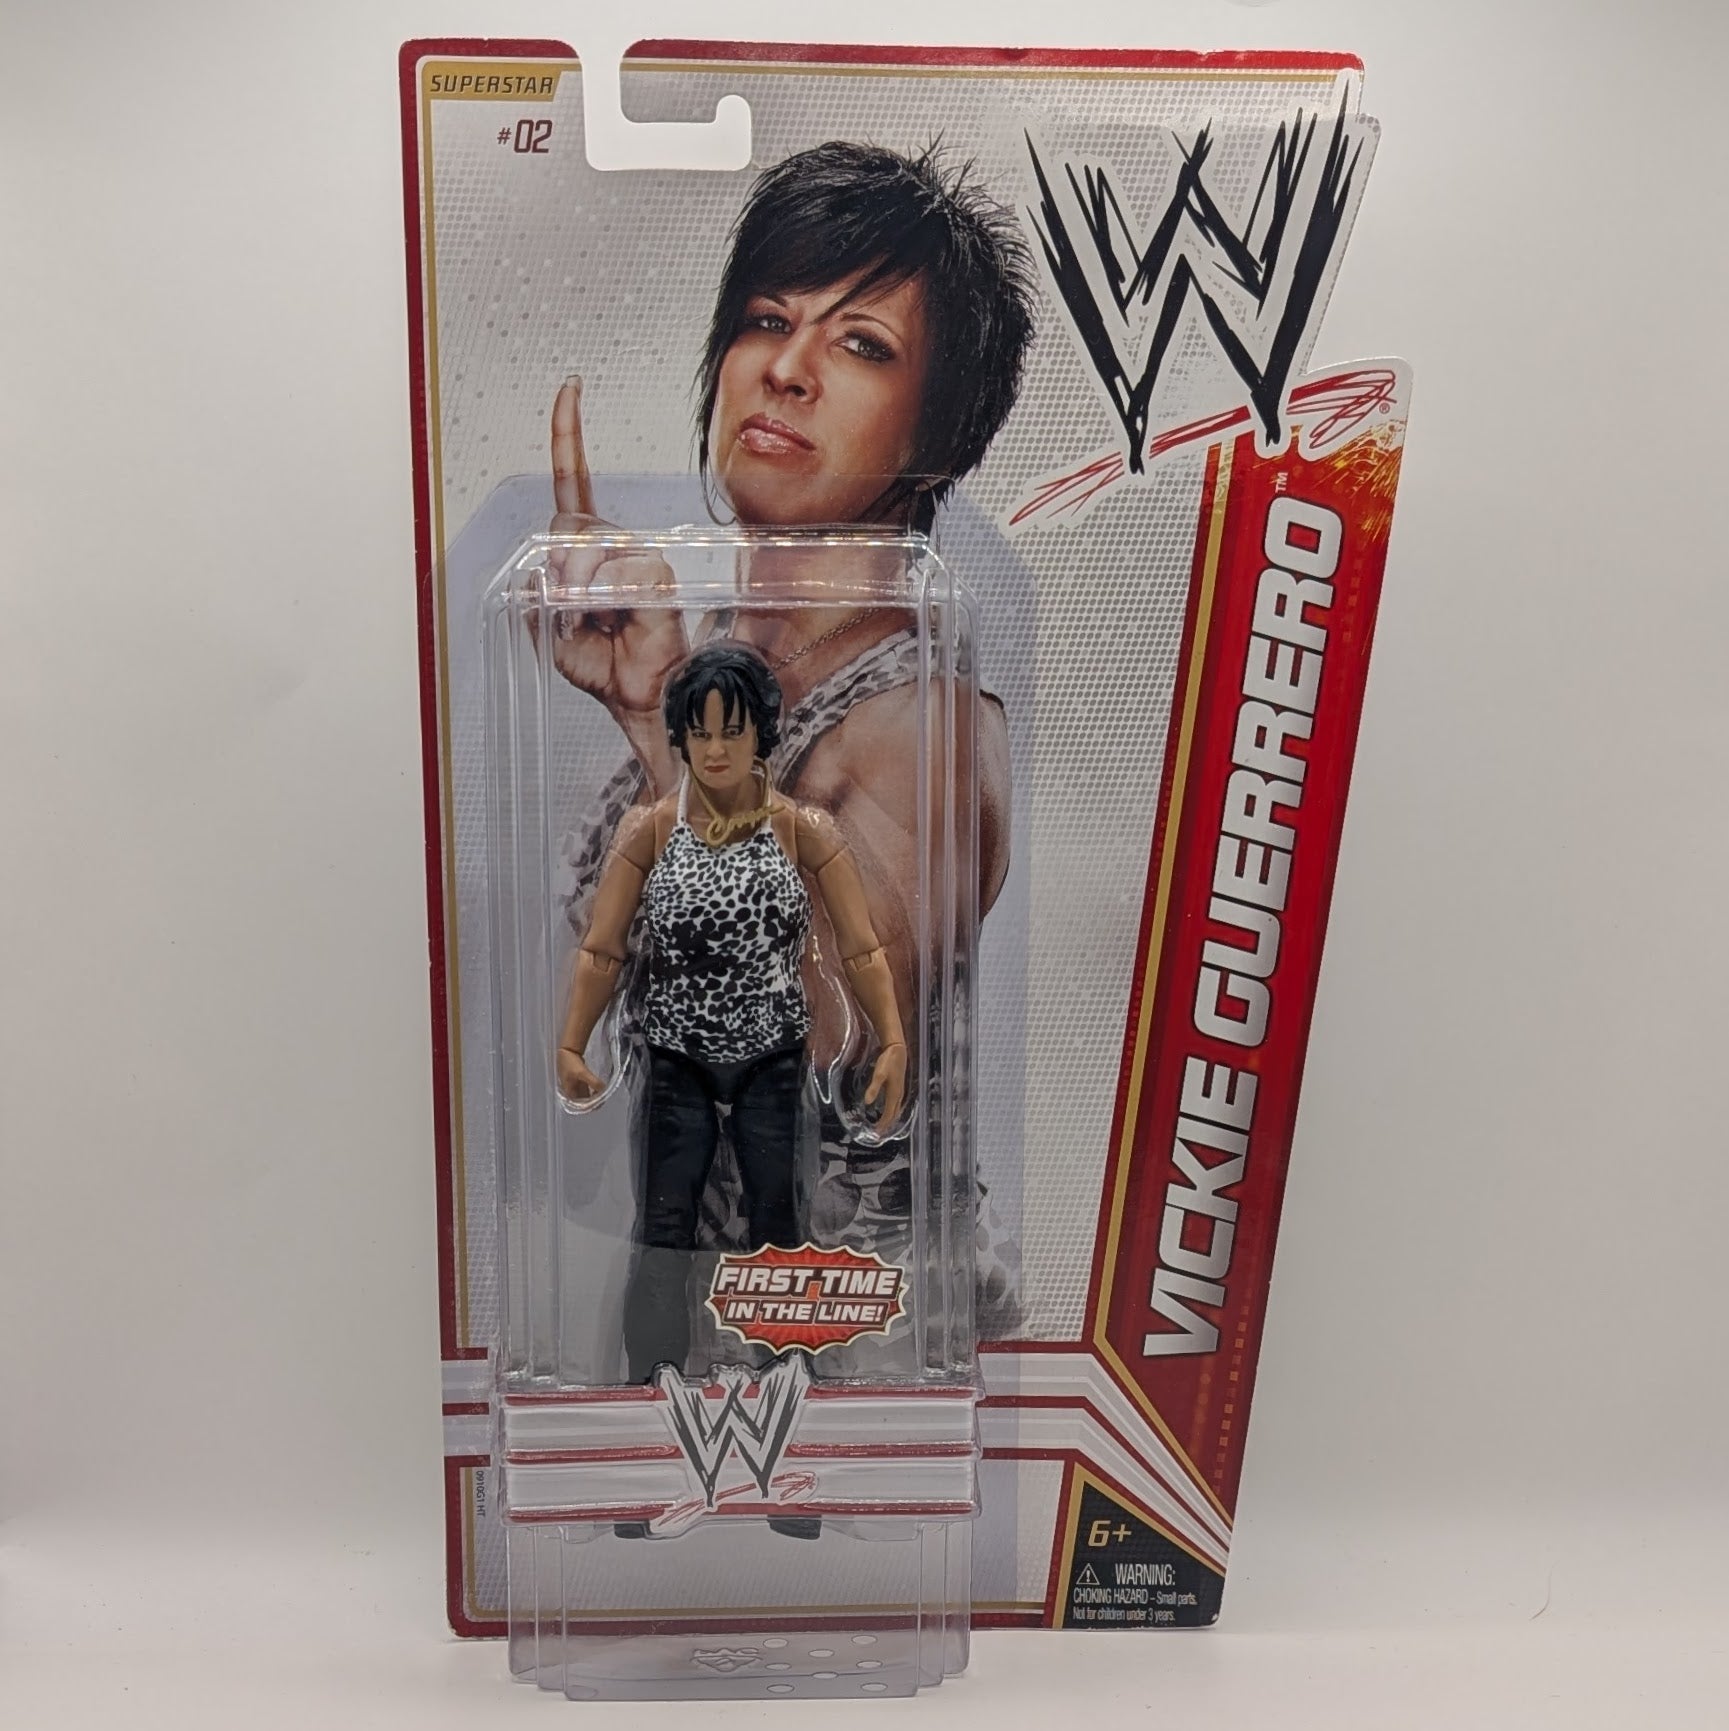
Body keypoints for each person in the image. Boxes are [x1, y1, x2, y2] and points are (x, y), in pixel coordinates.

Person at [544, 141, 1035, 1328]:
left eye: (861, 344)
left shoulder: (919, 720)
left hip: (862, 1339)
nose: (786, 368)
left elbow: (826, 1051)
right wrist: (653, 707)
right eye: (766, 319)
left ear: (942, 434)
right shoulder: (721, 665)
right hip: (701, 1305)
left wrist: (667, 742)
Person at [556, 643, 906, 1384]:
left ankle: (788, 1386)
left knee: (779, 1224)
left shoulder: (801, 830)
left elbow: (861, 950)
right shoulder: (650, 830)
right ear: (681, 738)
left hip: (772, 1057)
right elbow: (602, 951)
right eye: (701, 732)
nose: (716, 749)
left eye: (732, 731)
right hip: (675, 1057)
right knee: (663, 1229)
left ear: (761, 735)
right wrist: (572, 1044)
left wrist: (892, 1041)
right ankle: (652, 1391)